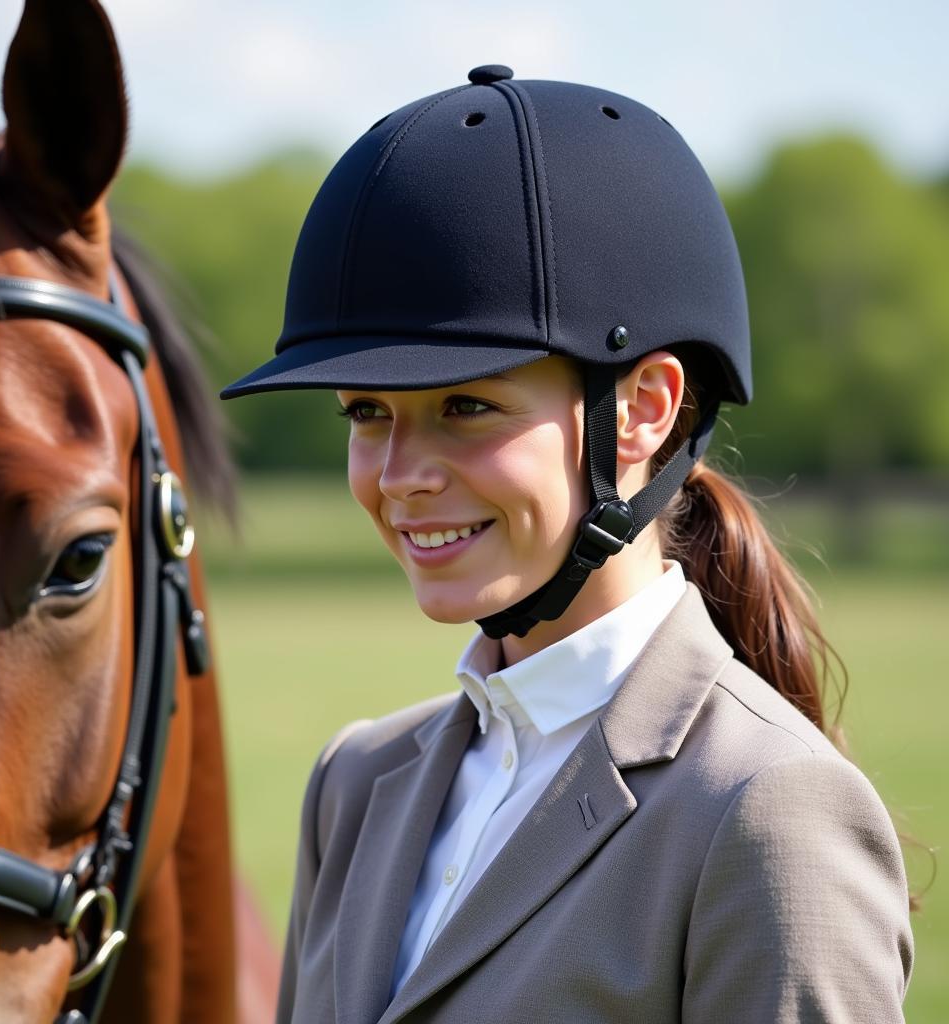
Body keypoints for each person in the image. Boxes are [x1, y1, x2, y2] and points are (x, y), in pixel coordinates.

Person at [222, 66, 914, 1023]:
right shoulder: (355, 782)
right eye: (366, 412)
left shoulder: (769, 815)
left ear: (643, 410)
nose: (398, 473)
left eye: (466, 407)